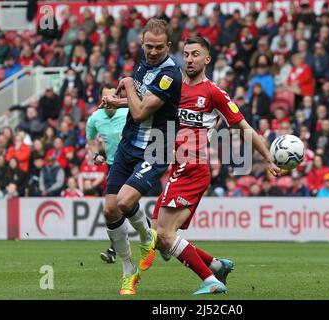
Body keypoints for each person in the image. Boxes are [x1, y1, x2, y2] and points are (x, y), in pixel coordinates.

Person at [150, 36, 280, 295]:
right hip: (176, 168)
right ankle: (216, 265)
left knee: (164, 235)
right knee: (158, 235)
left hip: (193, 168)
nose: (189, 59)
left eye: (195, 54)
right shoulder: (172, 87)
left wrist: (267, 157)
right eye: (186, 54)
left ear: (207, 59)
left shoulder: (213, 93)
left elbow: (243, 127)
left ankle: (210, 279)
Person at [100, 19, 182, 295]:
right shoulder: (143, 64)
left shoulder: (171, 73)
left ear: (168, 47)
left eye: (159, 47)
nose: (154, 51)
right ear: (143, 44)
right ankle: (129, 270)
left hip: (155, 146)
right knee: (110, 210)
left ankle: (148, 237)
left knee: (124, 201)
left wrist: (125, 84)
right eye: (149, 46)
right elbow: (141, 102)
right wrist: (116, 101)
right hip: (128, 145)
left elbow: (140, 112)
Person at [86, 84, 129, 264]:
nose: (110, 102)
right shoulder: (95, 118)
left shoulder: (127, 112)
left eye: (113, 98)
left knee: (124, 205)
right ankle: (153, 238)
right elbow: (90, 141)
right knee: (113, 209)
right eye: (106, 99)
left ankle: (113, 249)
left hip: (132, 162)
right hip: (113, 166)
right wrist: (95, 155)